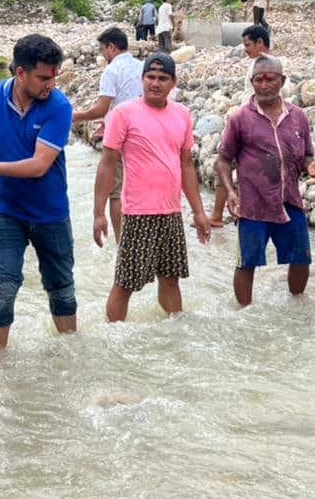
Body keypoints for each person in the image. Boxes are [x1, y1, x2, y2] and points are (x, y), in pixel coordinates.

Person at [0, 34, 76, 350]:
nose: (51, 84)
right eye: (43, 77)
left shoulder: (59, 106)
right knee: (3, 288)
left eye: (54, 76)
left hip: (50, 212)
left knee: (61, 289)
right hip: (4, 208)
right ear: (20, 72)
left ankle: (69, 355)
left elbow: (39, 165)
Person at [93, 52, 210, 321]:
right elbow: (108, 163)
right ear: (141, 79)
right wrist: (99, 213)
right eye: (150, 77)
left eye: (162, 78)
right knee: (125, 284)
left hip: (171, 213)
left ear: (174, 82)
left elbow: (187, 165)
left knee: (170, 279)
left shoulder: (182, 114)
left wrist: (199, 212)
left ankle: (175, 335)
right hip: (137, 213)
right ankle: (114, 338)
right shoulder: (123, 113)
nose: (155, 83)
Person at [215, 55, 315, 307]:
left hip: (290, 202)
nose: (264, 85)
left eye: (270, 79)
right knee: (247, 262)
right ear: (252, 82)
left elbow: (306, 155)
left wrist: (311, 165)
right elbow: (222, 161)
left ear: (282, 81)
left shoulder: (298, 117)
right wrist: (231, 192)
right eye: (258, 79)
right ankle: (245, 314)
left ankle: (296, 307)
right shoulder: (239, 118)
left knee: (301, 258)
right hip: (253, 205)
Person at [72, 27, 144, 242]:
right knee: (138, 187)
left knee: (116, 191)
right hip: (144, 135)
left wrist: (73, 116)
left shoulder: (111, 71)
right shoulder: (142, 67)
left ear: (112, 47)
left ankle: (123, 241)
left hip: (120, 137)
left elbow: (102, 108)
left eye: (103, 49)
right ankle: (141, 236)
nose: (103, 54)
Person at [209, 24, 273, 228]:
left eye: (248, 45)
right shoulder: (265, 64)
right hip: (253, 124)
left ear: (260, 43)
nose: (245, 49)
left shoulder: (263, 66)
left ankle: (219, 216)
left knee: (223, 164)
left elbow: (261, 99)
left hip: (250, 127)